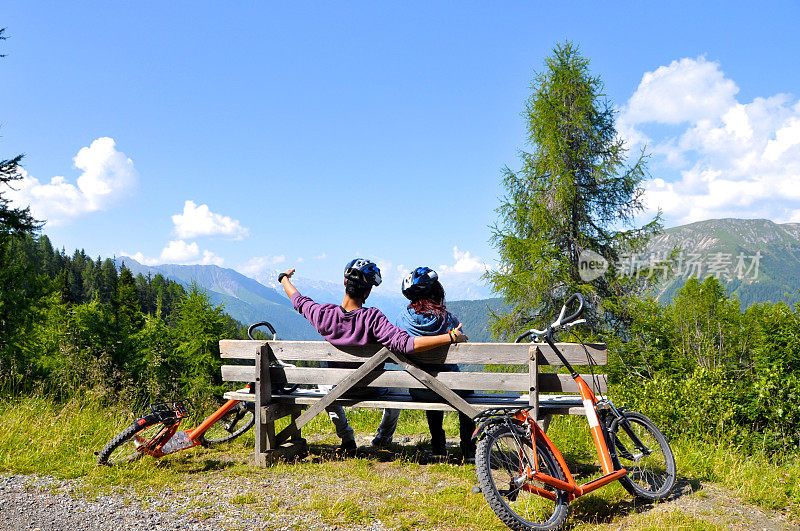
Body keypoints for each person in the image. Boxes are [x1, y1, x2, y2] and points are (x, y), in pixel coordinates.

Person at [278, 258, 468, 454]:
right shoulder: (373, 318)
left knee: (324, 385)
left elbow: (299, 301)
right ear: (368, 291)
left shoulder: (324, 314)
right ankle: (383, 437)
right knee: (401, 387)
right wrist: (450, 337)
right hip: (372, 389)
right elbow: (406, 344)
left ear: (345, 283)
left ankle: (346, 437)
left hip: (338, 389)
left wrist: (284, 279)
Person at [372, 267, 476, 461]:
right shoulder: (449, 320)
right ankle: (469, 449)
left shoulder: (402, 320)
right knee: (463, 387)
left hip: (419, 389)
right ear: (435, 292)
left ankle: (438, 446)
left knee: (428, 379)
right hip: (453, 389)